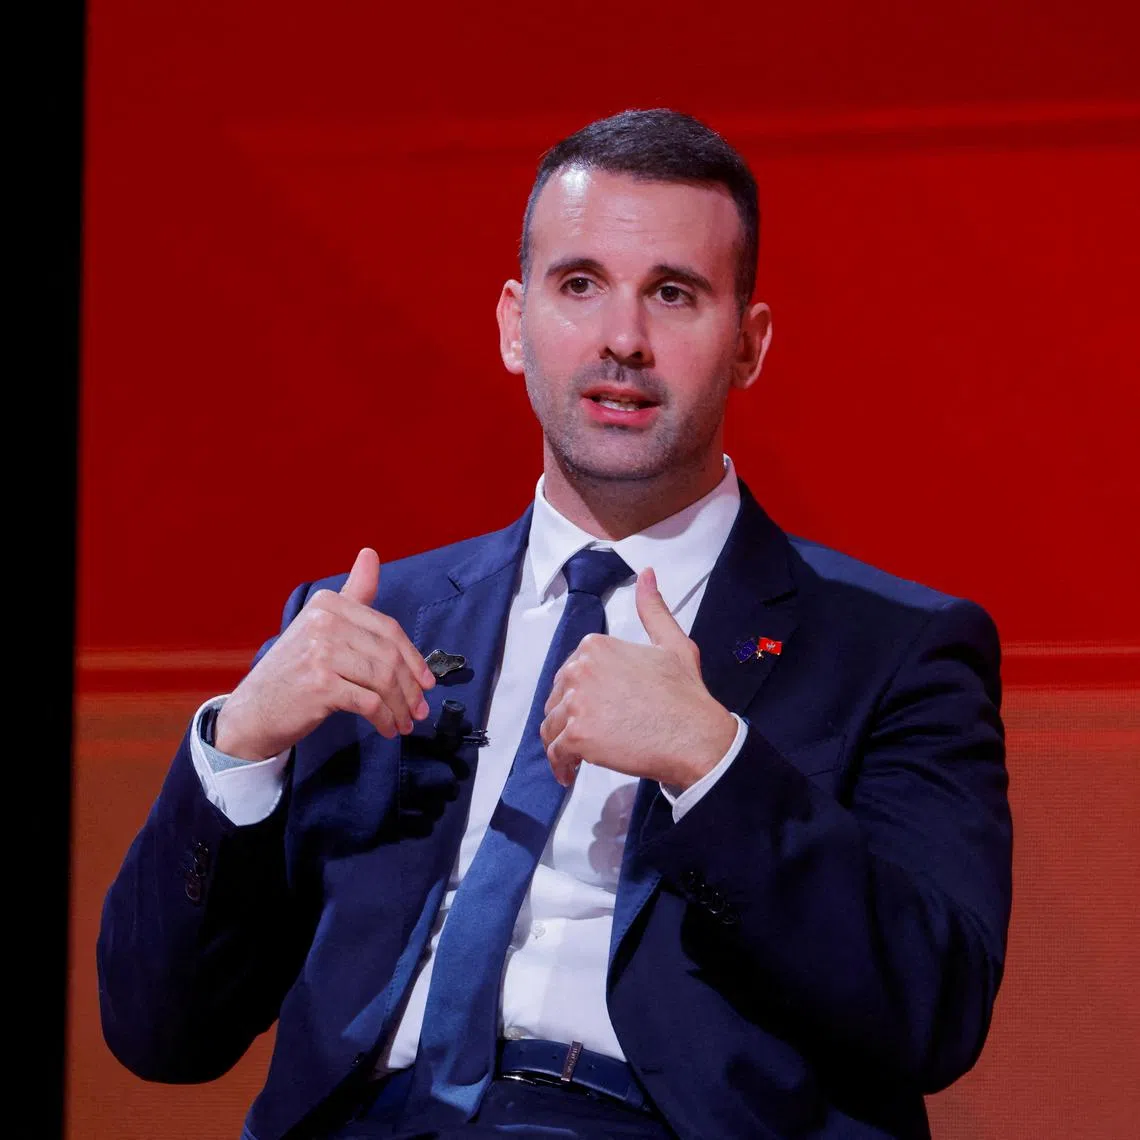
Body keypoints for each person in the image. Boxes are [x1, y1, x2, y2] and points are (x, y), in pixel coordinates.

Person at [97, 109, 1013, 1140]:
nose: (623, 338)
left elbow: (934, 1009)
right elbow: (158, 1033)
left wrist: (716, 765)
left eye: (674, 293)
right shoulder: (369, 621)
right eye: (579, 284)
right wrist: (240, 748)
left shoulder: (892, 648)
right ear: (511, 323)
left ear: (750, 345)